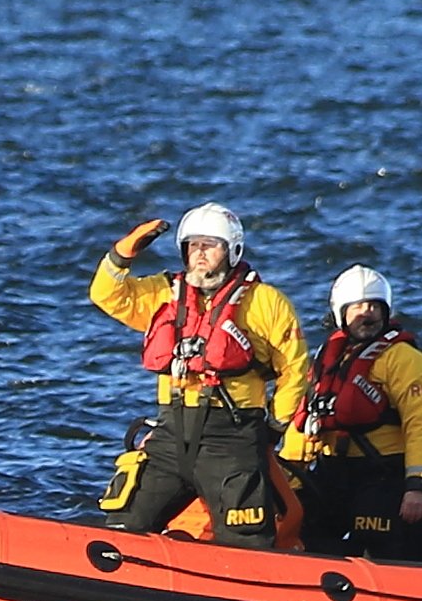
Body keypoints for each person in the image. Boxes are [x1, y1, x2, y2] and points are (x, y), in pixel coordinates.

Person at [91, 203, 307, 548]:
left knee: (245, 540)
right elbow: (105, 294)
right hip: (171, 433)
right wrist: (123, 253)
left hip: (231, 437)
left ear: (232, 250)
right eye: (193, 245)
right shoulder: (163, 293)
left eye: (210, 245)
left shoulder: (266, 302)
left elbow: (294, 370)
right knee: (125, 525)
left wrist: (274, 427)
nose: (200, 254)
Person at [285, 263, 422, 556]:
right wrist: (290, 477)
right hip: (333, 470)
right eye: (357, 307)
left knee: (381, 544)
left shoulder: (405, 360)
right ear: (340, 313)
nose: (367, 314)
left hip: (382, 474)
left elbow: (421, 424)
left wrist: (417, 487)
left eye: (373, 306)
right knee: (308, 531)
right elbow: (306, 416)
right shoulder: (329, 358)